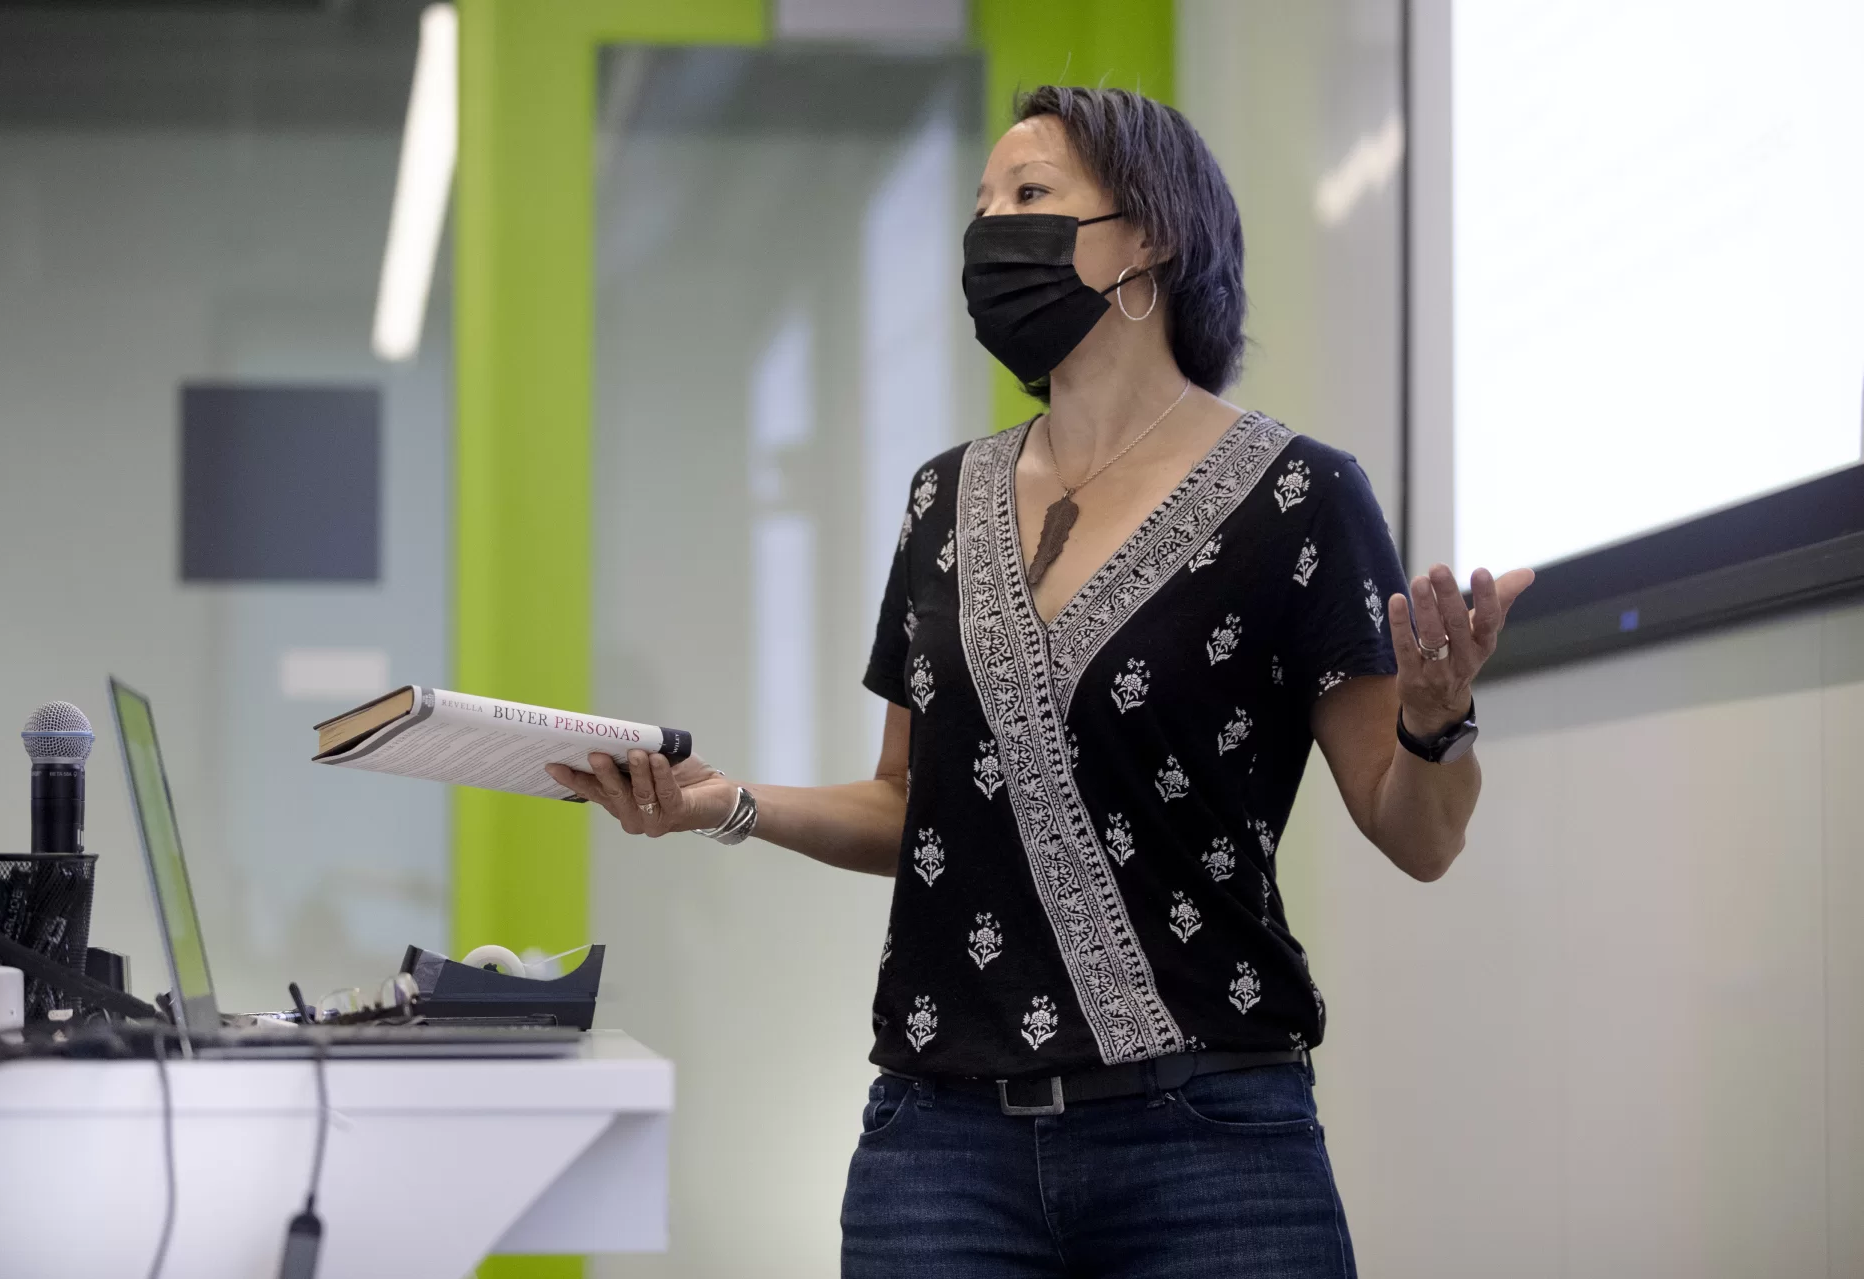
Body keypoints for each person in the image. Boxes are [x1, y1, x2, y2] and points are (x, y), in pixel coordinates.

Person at [548, 85, 1533, 1279]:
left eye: (1029, 196)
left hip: (1211, 1143)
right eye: (978, 205)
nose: (988, 234)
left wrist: (1436, 722)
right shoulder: (940, 499)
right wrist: (727, 803)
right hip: (942, 1148)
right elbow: (911, 806)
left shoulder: (1301, 496)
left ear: (1150, 236)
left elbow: (1415, 833)